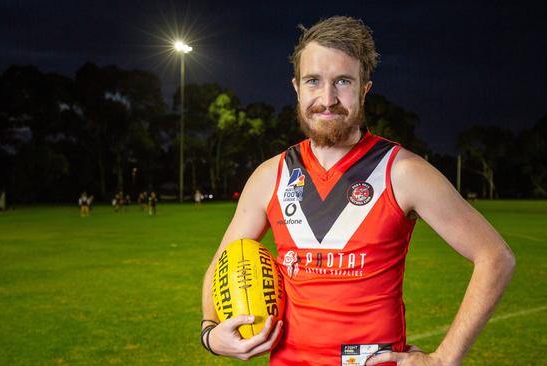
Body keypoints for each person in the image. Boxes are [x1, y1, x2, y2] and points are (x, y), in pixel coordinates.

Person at [200, 16, 515, 366]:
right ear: (297, 87)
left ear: (365, 88)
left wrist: (444, 358)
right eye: (313, 81)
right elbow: (222, 262)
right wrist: (210, 332)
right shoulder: (269, 176)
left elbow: (495, 257)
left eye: (343, 82)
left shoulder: (402, 172)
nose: (327, 98)